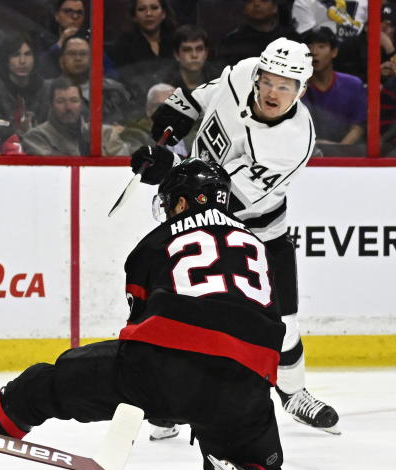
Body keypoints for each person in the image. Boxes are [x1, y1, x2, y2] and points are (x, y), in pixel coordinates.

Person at [0, 159, 289, 470]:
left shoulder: (155, 242)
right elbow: (269, 321)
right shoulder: (257, 245)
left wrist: (158, 399)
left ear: (182, 203)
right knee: (247, 456)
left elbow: (139, 326)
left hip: (162, 369)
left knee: (42, 385)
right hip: (245, 381)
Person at [130, 37, 340, 434]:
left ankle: (294, 394)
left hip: (258, 235)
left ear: (301, 90)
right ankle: (164, 403)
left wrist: (168, 168)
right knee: (173, 309)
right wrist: (176, 115)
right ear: (257, 75)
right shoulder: (243, 73)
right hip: (194, 221)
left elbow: (222, 197)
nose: (273, 92)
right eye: (269, 80)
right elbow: (202, 96)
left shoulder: (292, 142)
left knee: (284, 322)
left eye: (286, 85)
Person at [302, 26, 366, 155]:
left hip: (346, 156)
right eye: (309, 46)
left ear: (334, 52)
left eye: (321, 46)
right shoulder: (296, 88)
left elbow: (358, 127)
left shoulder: (353, 85)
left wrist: (338, 151)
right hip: (306, 157)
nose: (314, 52)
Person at [106, 0, 177, 107]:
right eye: (141, 9)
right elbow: (125, 80)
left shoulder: (176, 40)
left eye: (154, 8)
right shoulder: (123, 45)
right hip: (137, 105)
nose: (148, 13)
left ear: (163, 14)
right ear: (134, 16)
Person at [57, 33, 135, 127]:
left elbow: (132, 124)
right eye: (72, 54)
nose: (78, 58)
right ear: (61, 61)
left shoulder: (115, 89)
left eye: (83, 54)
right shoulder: (51, 93)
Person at [0, 34, 47, 136]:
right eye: (16, 55)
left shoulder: (45, 88)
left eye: (27, 54)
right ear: (6, 59)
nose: (22, 61)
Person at [218, 0, 299, 69]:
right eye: (250, 1)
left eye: (263, 0)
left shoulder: (291, 38)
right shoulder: (232, 41)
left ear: (275, 8)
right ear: (245, 9)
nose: (256, 4)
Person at [20, 76, 86, 155]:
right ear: (51, 105)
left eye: (74, 100)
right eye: (60, 101)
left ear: (81, 104)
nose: (68, 107)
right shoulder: (36, 137)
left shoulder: (100, 134)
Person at [36, 0, 89, 78]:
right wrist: (60, 42)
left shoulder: (90, 40)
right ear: (56, 16)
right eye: (68, 11)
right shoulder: (44, 37)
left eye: (79, 13)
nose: (75, 16)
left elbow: (110, 71)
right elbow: (39, 69)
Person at [161, 25, 221, 91]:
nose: (194, 55)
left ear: (206, 53)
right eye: (187, 50)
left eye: (199, 49)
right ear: (176, 55)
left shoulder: (219, 79)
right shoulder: (163, 83)